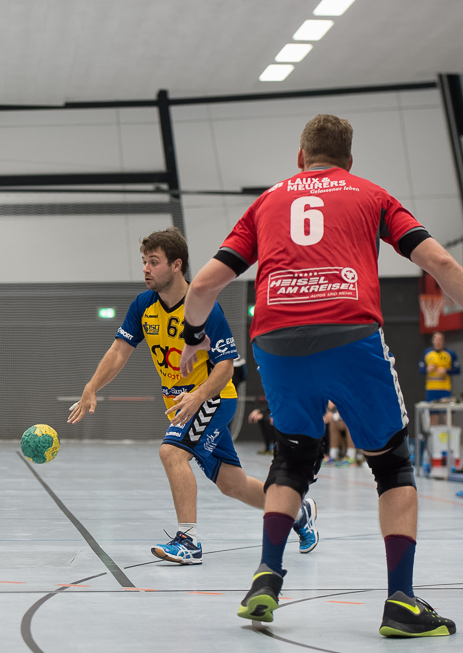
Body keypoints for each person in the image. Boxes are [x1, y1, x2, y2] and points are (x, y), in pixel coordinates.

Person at [178, 114, 463, 636]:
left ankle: (266, 576)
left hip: (275, 339)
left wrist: (193, 336)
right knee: (392, 464)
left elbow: (204, 285)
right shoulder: (371, 195)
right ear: (349, 160)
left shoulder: (266, 202)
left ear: (300, 157)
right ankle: (401, 603)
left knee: (292, 457)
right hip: (349, 332)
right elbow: (440, 264)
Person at [67, 228, 319, 565]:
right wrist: (91, 387)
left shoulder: (205, 309)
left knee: (171, 452)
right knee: (232, 484)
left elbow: (226, 368)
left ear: (176, 265)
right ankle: (298, 511)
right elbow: (118, 352)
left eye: (153, 262)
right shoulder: (143, 305)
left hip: (213, 398)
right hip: (182, 406)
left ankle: (188, 541)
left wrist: (199, 395)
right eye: (144, 262)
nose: (145, 269)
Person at [420, 332, 461, 402]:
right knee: (431, 408)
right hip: (431, 388)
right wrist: (427, 369)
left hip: (445, 388)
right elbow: (420, 369)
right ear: (433, 341)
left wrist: (446, 371)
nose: (438, 342)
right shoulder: (427, 353)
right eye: (436, 340)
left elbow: (458, 370)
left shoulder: (450, 353)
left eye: (440, 340)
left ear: (443, 341)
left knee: (444, 408)